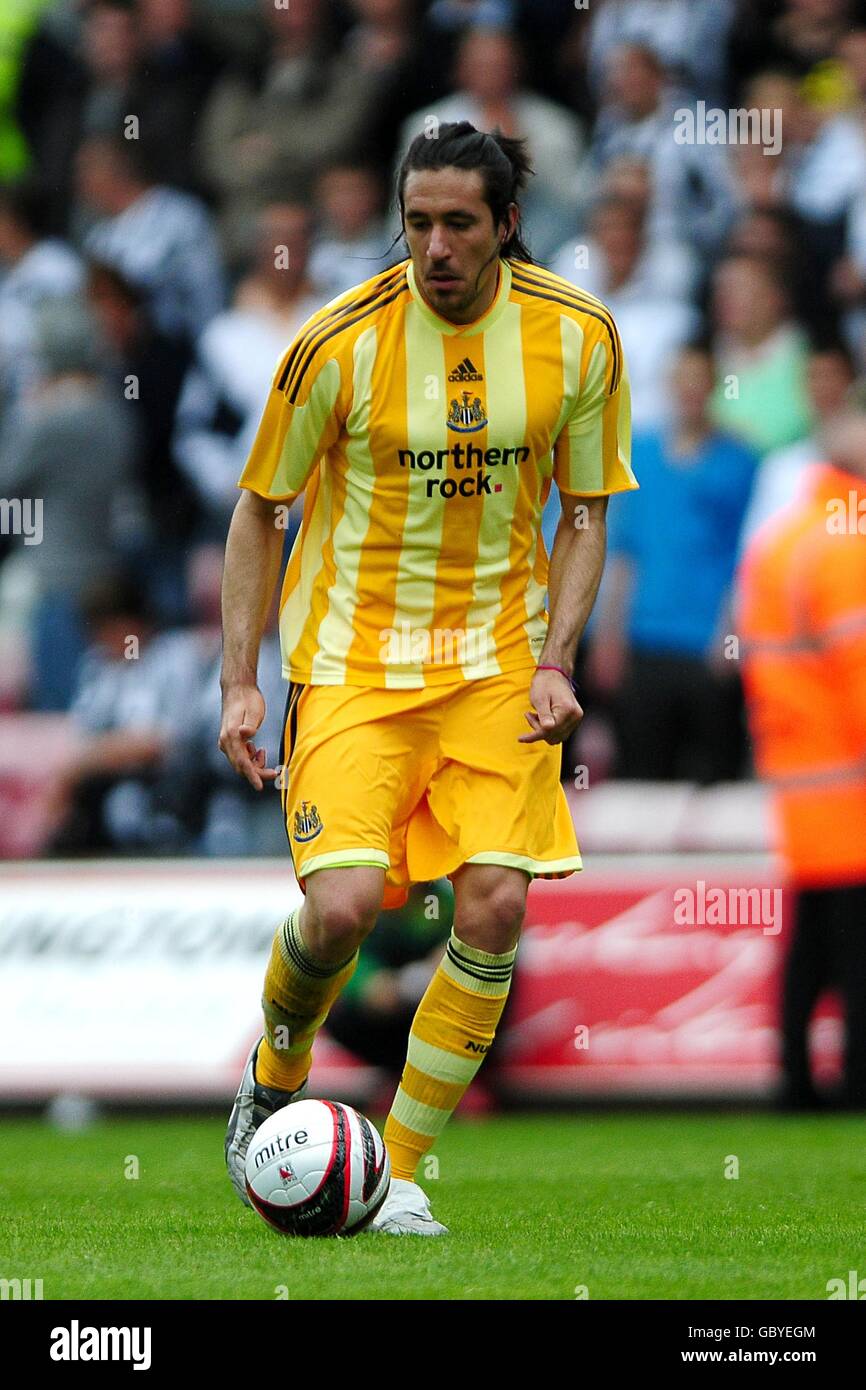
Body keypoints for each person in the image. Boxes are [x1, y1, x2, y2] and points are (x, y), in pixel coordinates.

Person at [218, 121, 635, 1234]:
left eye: (459, 223)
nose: (435, 246)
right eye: (416, 223)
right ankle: (273, 1069)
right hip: (352, 665)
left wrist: (556, 659)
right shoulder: (337, 342)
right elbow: (259, 508)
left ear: (505, 223)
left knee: (495, 904)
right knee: (342, 912)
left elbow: (586, 515)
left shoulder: (578, 336)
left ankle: (394, 1171)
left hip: (498, 666)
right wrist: (239, 682)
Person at [737, 402, 866, 1109]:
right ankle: (853, 1086)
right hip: (849, 784)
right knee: (853, 952)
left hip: (802, 777)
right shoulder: (847, 548)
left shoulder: (784, 539)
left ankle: (794, 1080)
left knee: (815, 942)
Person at [589, 344, 757, 781]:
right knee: (642, 772)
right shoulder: (640, 453)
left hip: (706, 643)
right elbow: (625, 553)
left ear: (713, 387)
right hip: (644, 638)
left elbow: (746, 555)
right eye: (681, 380)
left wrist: (730, 634)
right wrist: (609, 635)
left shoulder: (739, 461)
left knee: (714, 775)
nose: (689, 391)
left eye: (699, 381)